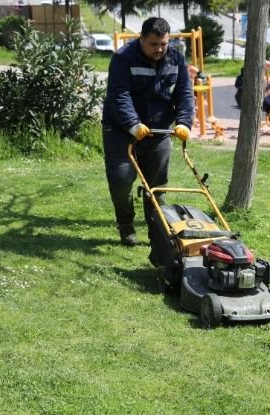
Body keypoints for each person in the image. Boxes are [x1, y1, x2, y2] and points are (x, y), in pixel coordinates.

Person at [101, 17, 194, 247]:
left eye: (163, 44)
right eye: (154, 44)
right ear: (141, 38)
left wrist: (184, 122)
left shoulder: (176, 59)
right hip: (121, 129)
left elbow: (184, 93)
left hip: (158, 130)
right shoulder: (123, 58)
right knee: (121, 180)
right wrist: (133, 124)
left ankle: (158, 235)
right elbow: (119, 95)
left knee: (157, 187)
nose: (159, 49)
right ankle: (126, 224)